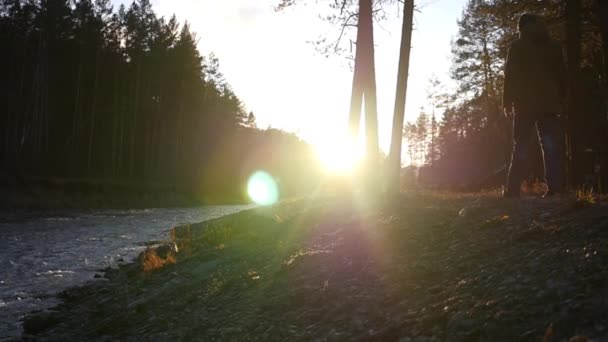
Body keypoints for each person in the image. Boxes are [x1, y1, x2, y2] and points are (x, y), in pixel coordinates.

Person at [502, 13, 566, 198]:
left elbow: (510, 75)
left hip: (524, 104)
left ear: (521, 27)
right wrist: (562, 97)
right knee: (551, 146)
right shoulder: (553, 45)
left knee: (520, 145)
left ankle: (513, 190)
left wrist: (507, 101)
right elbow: (562, 74)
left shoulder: (517, 46)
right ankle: (555, 188)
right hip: (549, 103)